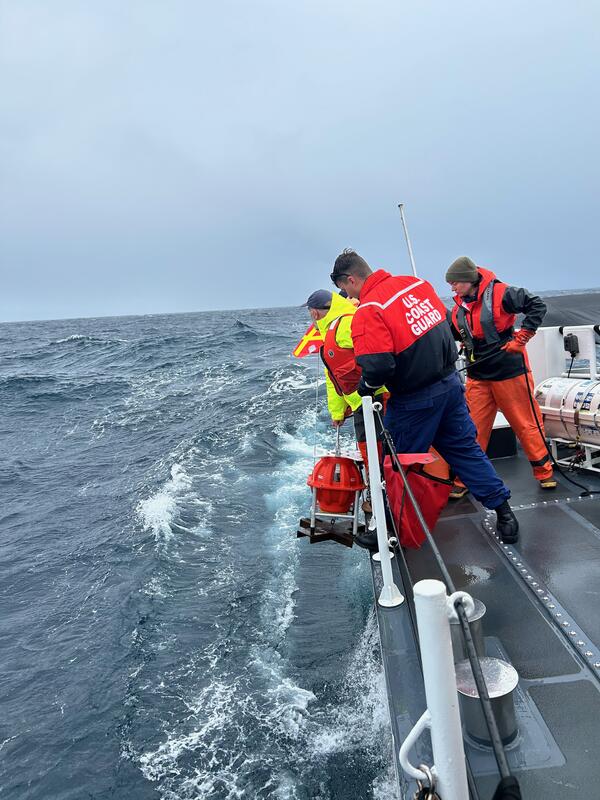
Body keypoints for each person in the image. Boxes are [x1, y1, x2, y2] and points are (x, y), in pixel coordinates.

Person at [329, 248, 520, 546]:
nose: (345, 296)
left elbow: (379, 365)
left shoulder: (369, 309)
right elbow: (447, 324)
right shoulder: (416, 284)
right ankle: (505, 514)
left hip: (413, 402)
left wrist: (365, 388)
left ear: (351, 280)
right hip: (451, 387)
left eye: (344, 290)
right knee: (465, 451)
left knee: (396, 465)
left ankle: (391, 528)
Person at [445, 256, 556, 498]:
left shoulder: (502, 293)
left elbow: (537, 305)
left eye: (455, 283)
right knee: (471, 429)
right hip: (478, 374)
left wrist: (522, 338)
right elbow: (452, 333)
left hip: (510, 371)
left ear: (468, 280)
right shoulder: (457, 309)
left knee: (525, 424)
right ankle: (464, 479)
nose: (452, 288)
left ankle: (545, 472)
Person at [302, 289, 387, 493]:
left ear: (314, 313)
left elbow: (376, 354)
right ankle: (381, 491)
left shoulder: (344, 325)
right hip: (362, 401)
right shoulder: (333, 329)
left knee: (374, 450)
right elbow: (333, 376)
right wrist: (338, 412)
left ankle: (383, 496)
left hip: (374, 398)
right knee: (374, 450)